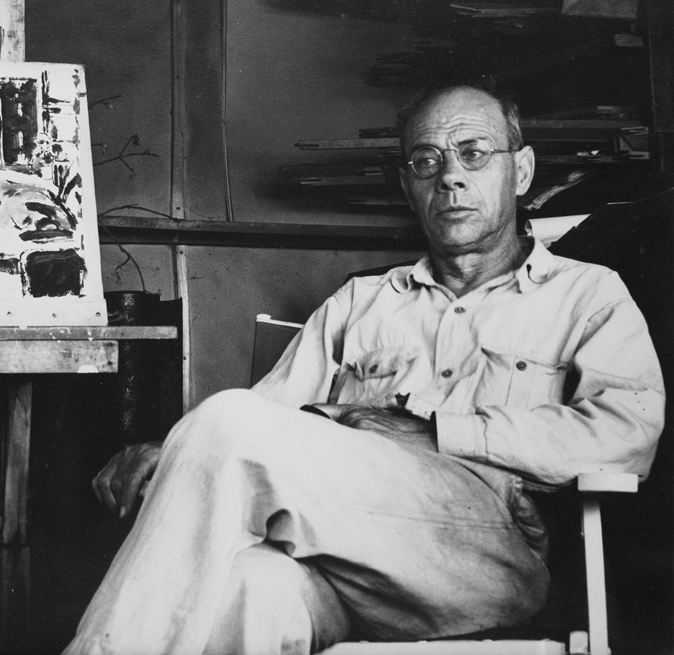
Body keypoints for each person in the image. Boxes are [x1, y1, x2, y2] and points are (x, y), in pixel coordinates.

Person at [62, 84, 666, 655]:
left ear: (523, 172)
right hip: (346, 566)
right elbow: (262, 425)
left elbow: (625, 436)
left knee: (225, 425)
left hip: (482, 558)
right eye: (426, 161)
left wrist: (440, 432)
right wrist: (173, 453)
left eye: (474, 154)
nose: (451, 176)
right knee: (252, 585)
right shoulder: (362, 302)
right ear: (409, 187)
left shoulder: (586, 295)